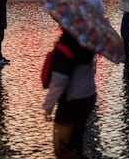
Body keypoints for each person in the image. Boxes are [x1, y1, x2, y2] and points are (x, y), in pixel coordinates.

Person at [42, 28, 96, 159]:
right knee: (77, 140)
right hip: (87, 97)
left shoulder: (65, 48)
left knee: (64, 146)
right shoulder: (89, 43)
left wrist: (48, 107)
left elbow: (59, 82)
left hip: (70, 103)